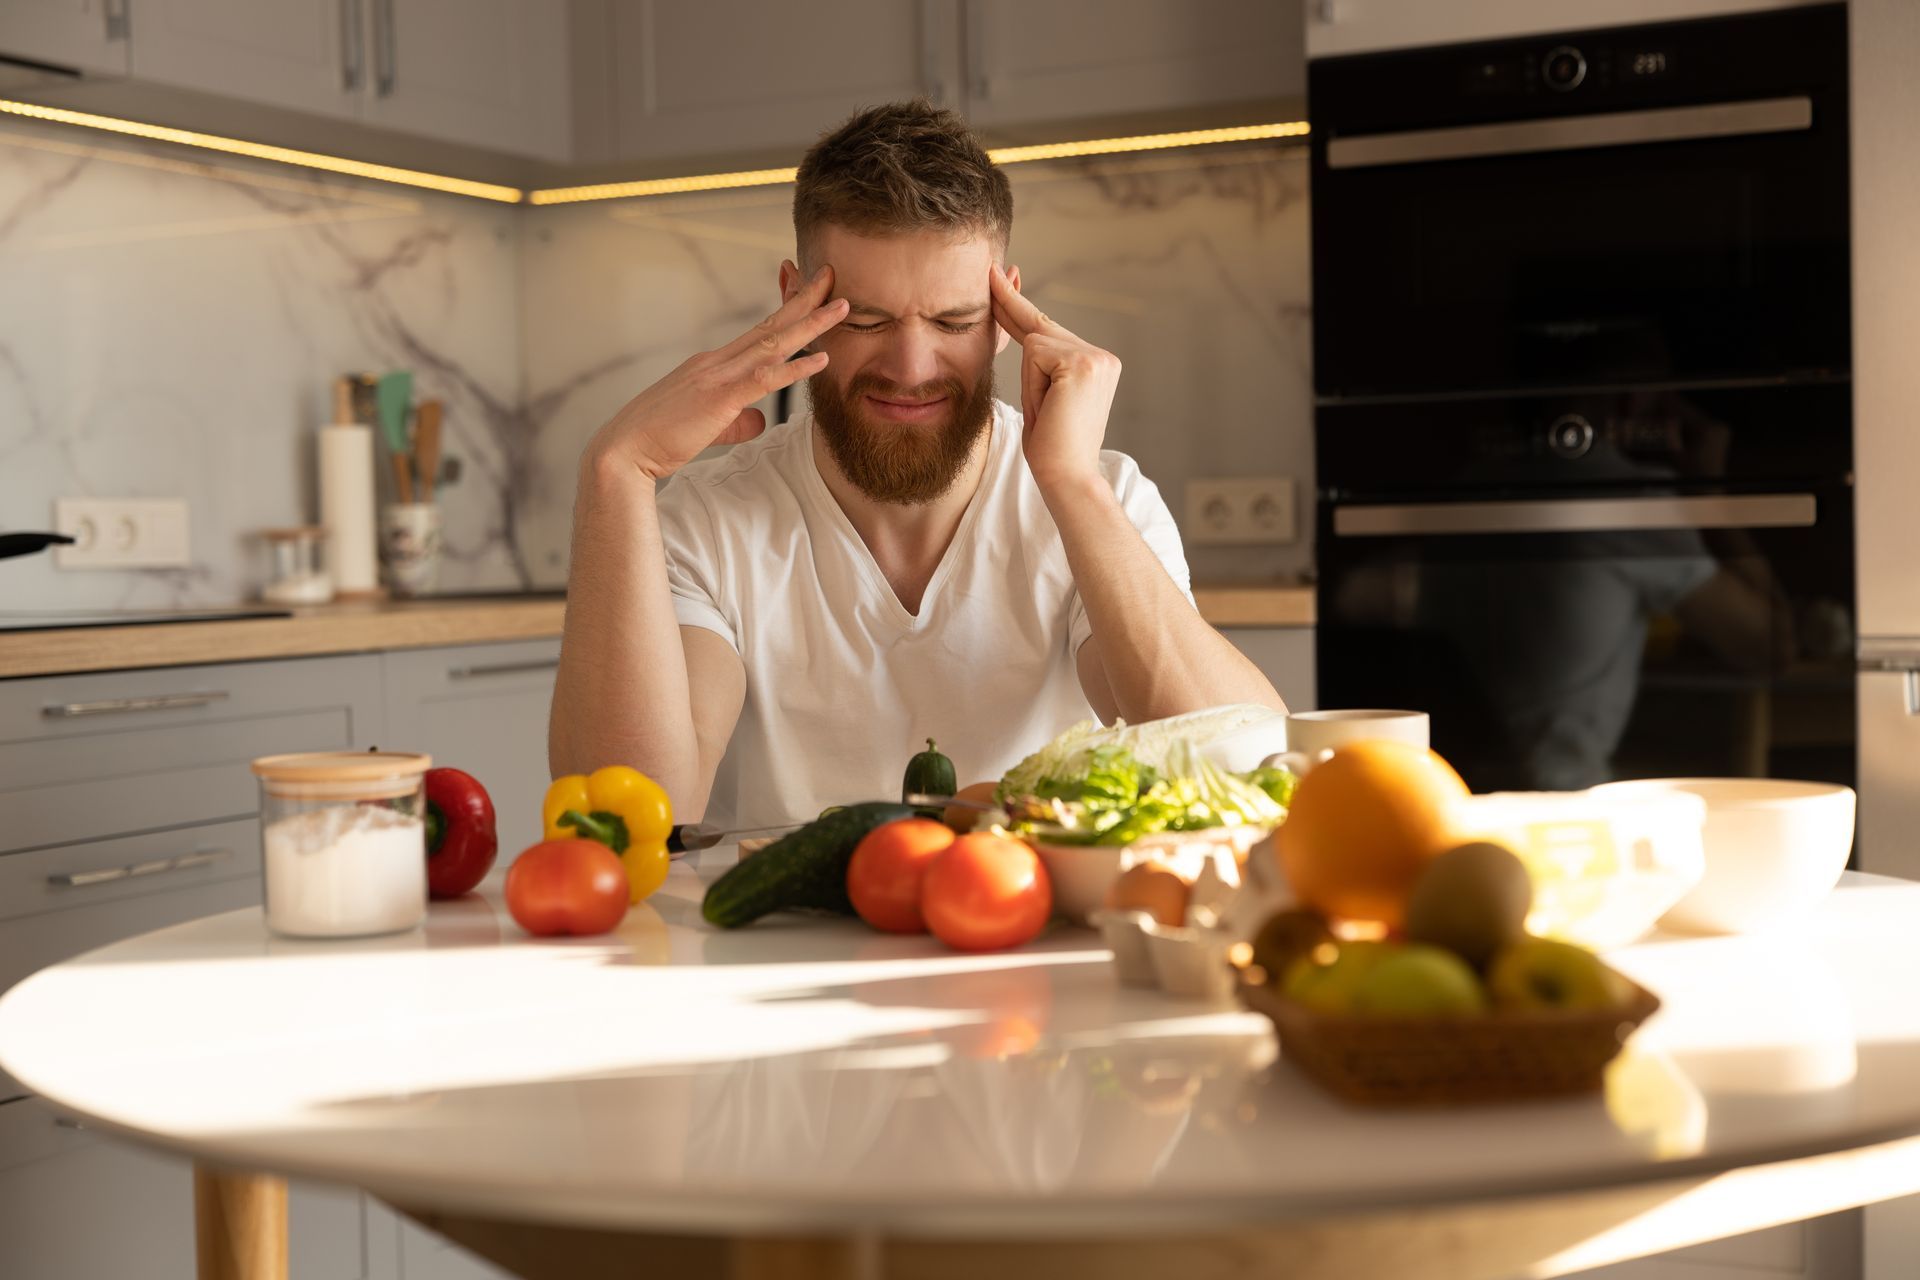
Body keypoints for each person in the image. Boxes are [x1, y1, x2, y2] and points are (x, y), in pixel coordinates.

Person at [549, 101, 1283, 830]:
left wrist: (1073, 484)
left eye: (954, 322)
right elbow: (630, 811)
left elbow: (1246, 765)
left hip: (1028, 932)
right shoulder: (707, 521)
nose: (910, 366)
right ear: (792, 300)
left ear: (1007, 315)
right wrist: (617, 470)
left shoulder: (1104, 497)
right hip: (782, 946)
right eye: (865, 321)